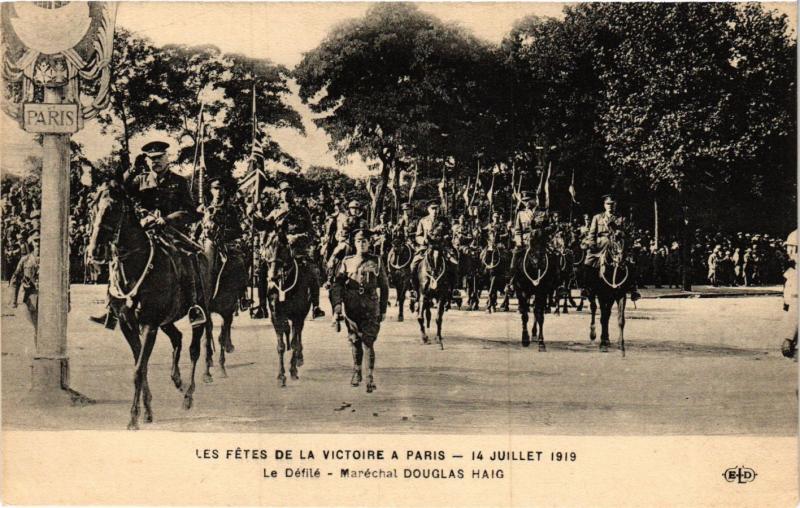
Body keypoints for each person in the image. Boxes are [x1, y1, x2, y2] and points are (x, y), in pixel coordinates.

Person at [251, 180, 325, 319]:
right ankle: (261, 306)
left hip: (298, 251)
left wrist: (297, 237)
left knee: (312, 271)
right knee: (261, 270)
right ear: (279, 194)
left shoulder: (303, 211)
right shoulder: (275, 212)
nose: (286, 194)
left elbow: (311, 233)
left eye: (289, 191)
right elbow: (263, 226)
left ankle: (316, 306)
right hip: (278, 252)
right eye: (283, 191)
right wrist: (252, 215)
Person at [331, 228, 389, 392]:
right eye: (358, 241)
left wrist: (383, 309)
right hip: (352, 307)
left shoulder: (377, 261)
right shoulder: (347, 261)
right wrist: (337, 305)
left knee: (368, 341)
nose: (362, 244)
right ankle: (357, 371)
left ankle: (369, 376)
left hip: (371, 307)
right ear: (354, 243)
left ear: (369, 243)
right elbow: (337, 285)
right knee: (354, 341)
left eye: (364, 241)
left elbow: (384, 287)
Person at [584, 195, 640, 300]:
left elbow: (628, 234)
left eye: (612, 204)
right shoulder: (597, 217)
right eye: (608, 204)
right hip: (601, 246)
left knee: (630, 262)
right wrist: (592, 245)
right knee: (588, 261)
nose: (610, 206)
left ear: (616, 205)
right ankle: (587, 288)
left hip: (617, 245)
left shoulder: (621, 219)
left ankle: (633, 289)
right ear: (604, 205)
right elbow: (592, 234)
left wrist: (620, 232)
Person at [409, 200, 456, 295]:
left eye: (436, 208)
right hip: (426, 247)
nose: (435, 211)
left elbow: (450, 234)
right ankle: (415, 289)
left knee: (454, 264)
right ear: (428, 209)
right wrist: (423, 240)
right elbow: (418, 235)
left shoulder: (444, 221)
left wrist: (446, 238)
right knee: (413, 265)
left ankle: (452, 289)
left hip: (441, 247)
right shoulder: (423, 220)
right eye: (432, 208)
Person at [510, 191, 551, 284]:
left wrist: (542, 231)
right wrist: (519, 242)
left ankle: (557, 283)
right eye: (524, 201)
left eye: (528, 200)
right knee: (514, 260)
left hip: (540, 242)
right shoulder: (521, 214)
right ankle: (510, 283)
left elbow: (551, 227)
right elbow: (517, 231)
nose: (526, 203)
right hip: (525, 243)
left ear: (534, 200)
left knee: (554, 258)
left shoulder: (543, 212)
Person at [10, 233, 39, 331]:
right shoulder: (25, 259)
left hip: (48, 297)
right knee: (37, 327)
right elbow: (15, 279)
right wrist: (14, 300)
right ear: (31, 243)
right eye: (36, 241)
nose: (38, 243)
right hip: (31, 297)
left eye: (40, 241)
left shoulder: (52, 259)